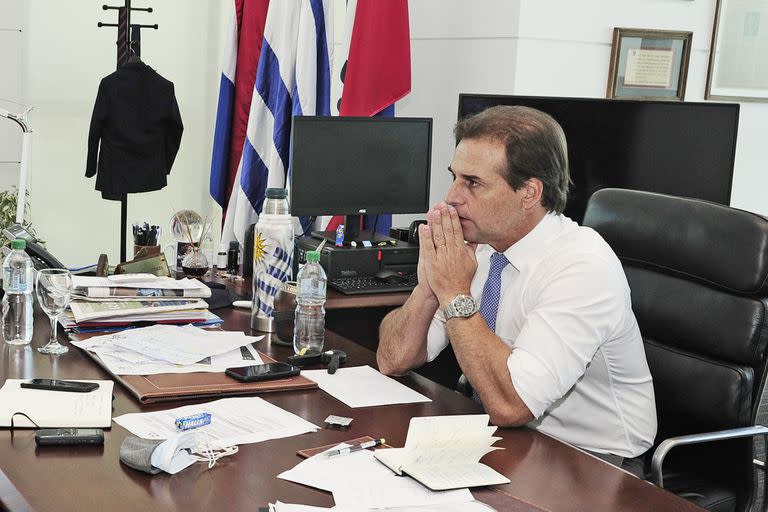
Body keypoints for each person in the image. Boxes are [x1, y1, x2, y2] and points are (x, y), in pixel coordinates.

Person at [376, 105, 657, 462]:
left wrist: (454, 292)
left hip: (594, 462)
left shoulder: (582, 266)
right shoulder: (478, 247)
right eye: (455, 178)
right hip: (509, 439)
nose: (452, 198)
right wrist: (429, 288)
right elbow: (392, 359)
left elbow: (512, 405)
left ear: (529, 193)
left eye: (473, 183)